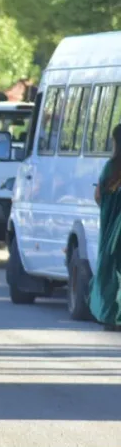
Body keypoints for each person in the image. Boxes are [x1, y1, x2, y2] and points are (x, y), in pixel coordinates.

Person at [89, 124, 121, 331]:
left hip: (114, 231)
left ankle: (111, 315)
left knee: (112, 269)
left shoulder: (112, 167)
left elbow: (99, 197)